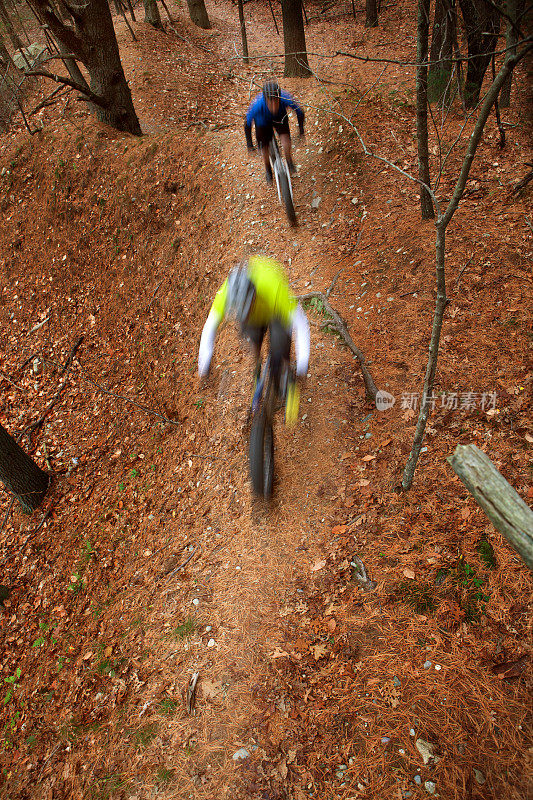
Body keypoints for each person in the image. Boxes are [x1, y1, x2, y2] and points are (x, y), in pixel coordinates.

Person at [198, 256, 310, 397]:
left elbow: (299, 323)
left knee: (280, 346)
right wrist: (204, 363)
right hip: (255, 316)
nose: (247, 311)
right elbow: (210, 326)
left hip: (275, 311)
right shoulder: (226, 295)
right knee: (253, 338)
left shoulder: (273, 288)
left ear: (255, 295)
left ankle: (286, 370)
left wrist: (302, 363)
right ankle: (257, 367)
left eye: (248, 306)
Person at [244, 80, 305, 184]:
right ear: (265, 99)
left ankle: (289, 160)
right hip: (262, 122)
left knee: (285, 139)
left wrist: (301, 131)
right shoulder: (258, 105)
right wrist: (250, 144)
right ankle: (268, 168)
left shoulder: (285, 98)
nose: (273, 106)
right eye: (270, 102)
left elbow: (299, 111)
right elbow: (247, 124)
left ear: (279, 98)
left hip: (280, 118)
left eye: (275, 101)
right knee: (264, 147)